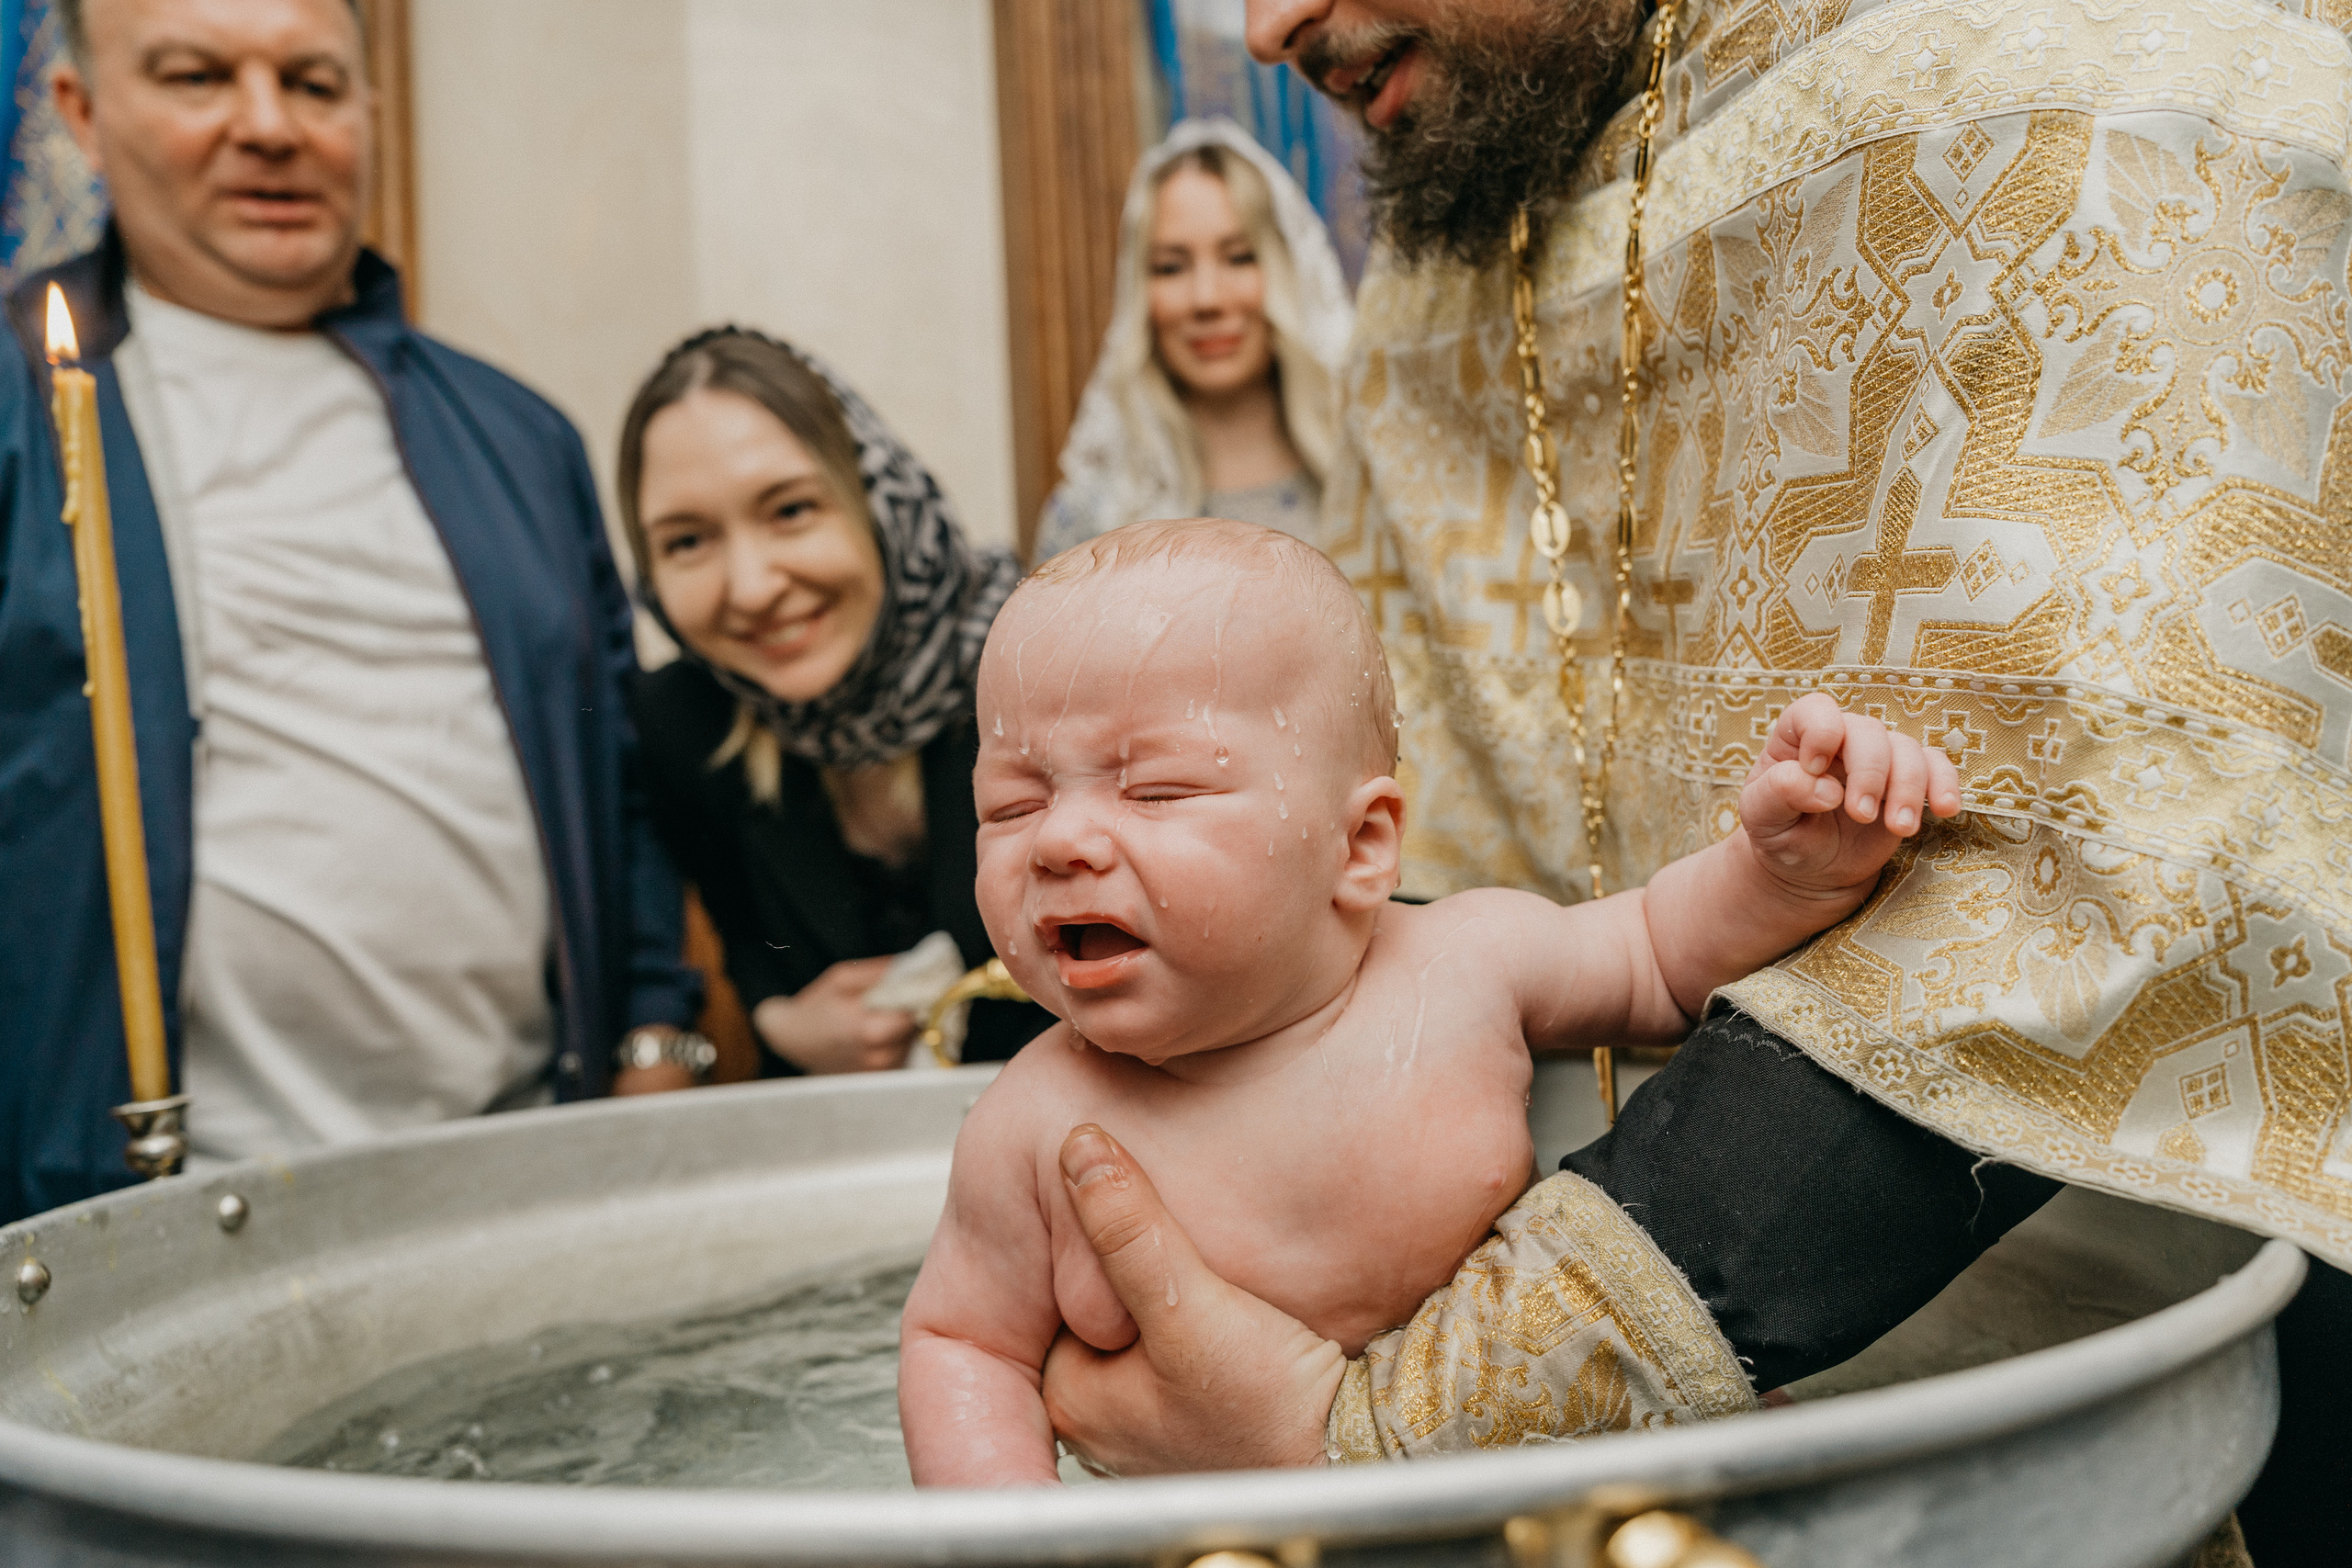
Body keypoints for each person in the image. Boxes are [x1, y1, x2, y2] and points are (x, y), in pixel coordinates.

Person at [1036, 0, 2352, 1561]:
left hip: (2193, 1350)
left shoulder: (2107, 63)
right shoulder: (1462, 224)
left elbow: (2059, 898)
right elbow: (1410, 881)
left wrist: (1384, 1430)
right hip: (1662, 1339)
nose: (1268, 29)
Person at [897, 520, 1956, 1486]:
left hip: (1592, 1491)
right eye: (1013, 804)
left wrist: (1787, 870)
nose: (1060, 841)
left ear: (1359, 847)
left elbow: (1659, 956)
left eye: (1157, 792)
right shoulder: (1029, 1130)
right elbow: (962, 1347)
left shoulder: (1467, 962)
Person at [0, 0, 706, 1222]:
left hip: (525, 1174)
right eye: (197, 76)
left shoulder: (516, 437)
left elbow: (621, 771)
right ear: (82, 112)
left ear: (366, 114)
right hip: (156, 1208)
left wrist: (654, 1031)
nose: (268, 126)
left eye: (316, 84)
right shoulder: (27, 411)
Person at [623, 328, 1054, 1076]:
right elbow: (750, 949)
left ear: (878, 499)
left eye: (790, 510)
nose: (751, 587)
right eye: (688, 541)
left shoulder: (1044, 666)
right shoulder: (684, 723)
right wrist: (780, 1020)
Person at [1029, 118, 1352, 566]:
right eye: (1171, 267)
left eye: (1239, 258)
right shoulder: (1092, 518)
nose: (1206, 299)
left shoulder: (1365, 493)